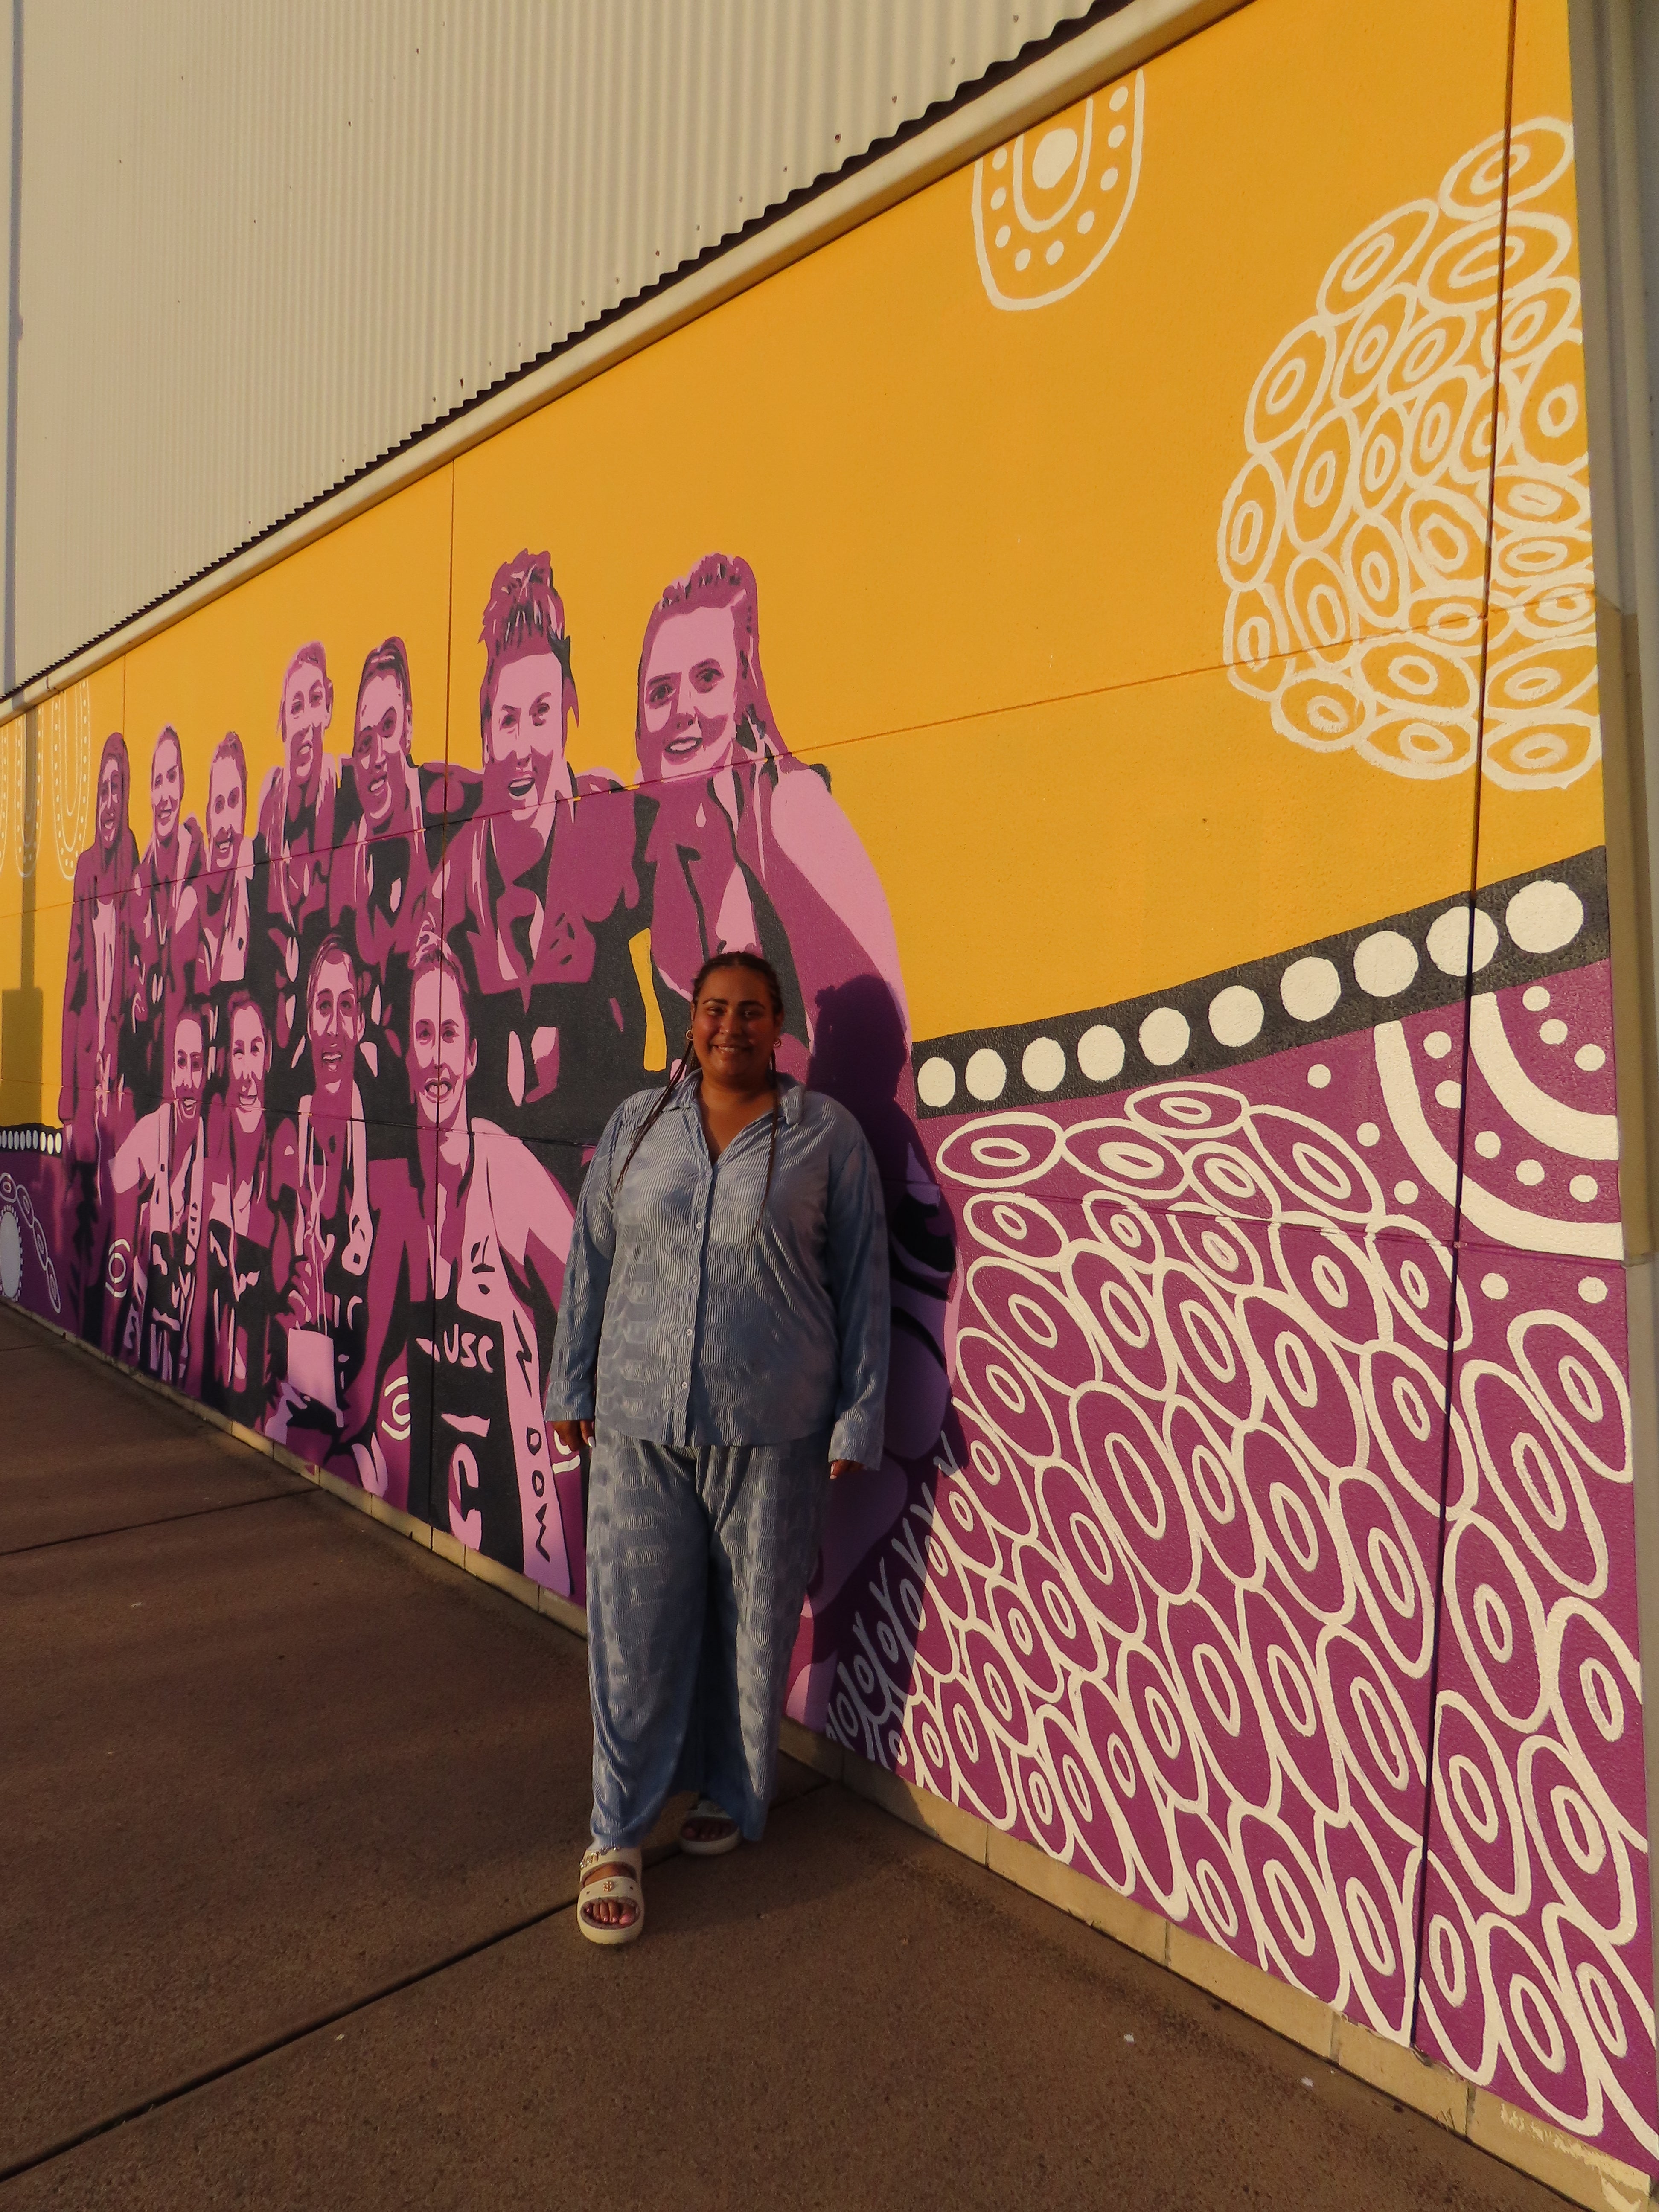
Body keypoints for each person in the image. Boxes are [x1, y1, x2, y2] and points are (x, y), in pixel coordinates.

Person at [545, 950, 889, 1946]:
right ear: (688, 1022)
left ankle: (734, 1788)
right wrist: (573, 1376)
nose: (729, 1026)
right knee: (632, 1623)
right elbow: (591, 1256)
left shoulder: (826, 1135)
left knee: (753, 1624)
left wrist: (857, 1413)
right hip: (639, 1416)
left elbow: (864, 1279)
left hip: (773, 1420)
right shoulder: (637, 1124)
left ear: (780, 1025)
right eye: (711, 1010)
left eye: (749, 1011)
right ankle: (613, 1833)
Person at [420, 550, 652, 1196]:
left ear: (569, 714)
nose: (524, 746)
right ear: (486, 733)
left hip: (615, 1191)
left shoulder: (616, 828)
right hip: (501, 1205)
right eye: (509, 719)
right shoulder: (458, 881)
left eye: (542, 713)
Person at [344, 944, 577, 1583]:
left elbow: (592, 1293)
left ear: (472, 1054)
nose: (437, 1057)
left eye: (450, 1034)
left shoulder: (505, 1172)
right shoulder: (403, 1196)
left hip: (531, 1550)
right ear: (408, 1054)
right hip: (449, 1543)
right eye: (424, 1034)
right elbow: (366, 1374)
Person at [634, 553, 908, 1079]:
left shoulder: (788, 811)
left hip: (824, 1148)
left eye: (708, 677)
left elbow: (878, 1057)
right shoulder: (666, 848)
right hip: (725, 1149)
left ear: (744, 691)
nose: (681, 710)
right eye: (661, 691)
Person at [267, 933, 373, 1464]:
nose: (333, 1026)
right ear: (306, 1022)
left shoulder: (376, 1131)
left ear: (360, 1021)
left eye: (346, 1006)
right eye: (322, 1006)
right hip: (305, 1382)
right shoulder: (296, 1128)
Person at [58, 730, 141, 1337]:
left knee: (123, 1209)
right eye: (102, 791)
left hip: (125, 1083)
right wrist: (67, 1103)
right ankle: (80, 1316)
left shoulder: (137, 864)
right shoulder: (87, 870)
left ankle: (113, 1325)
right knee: (80, 1206)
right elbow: (73, 993)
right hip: (88, 1083)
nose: (109, 803)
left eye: (118, 788)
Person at [329, 636, 429, 1125]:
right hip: (375, 1121)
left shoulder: (453, 808)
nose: (373, 756)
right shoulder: (347, 865)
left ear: (409, 725)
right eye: (363, 742)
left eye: (387, 728)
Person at [103, 999, 210, 1390]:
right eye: (180, 1062)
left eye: (196, 1064)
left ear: (208, 1071)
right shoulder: (154, 1131)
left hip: (185, 1332)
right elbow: (112, 1184)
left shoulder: (211, 1144)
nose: (187, 1079)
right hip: (145, 1323)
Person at [256, 642, 343, 1100]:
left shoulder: (348, 797)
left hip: (331, 1054)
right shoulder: (268, 820)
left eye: (314, 701)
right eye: (295, 706)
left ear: (329, 707)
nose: (306, 720)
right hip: (275, 1069)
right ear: (282, 722)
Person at [201, 988, 282, 1429]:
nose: (248, 1070)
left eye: (256, 1049)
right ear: (227, 1060)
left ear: (268, 1054)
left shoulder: (282, 1142)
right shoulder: (217, 1128)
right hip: (215, 1370)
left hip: (260, 1384)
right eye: (238, 1051)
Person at [125, 725, 205, 1105]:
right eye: (157, 781)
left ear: (183, 783)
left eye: (171, 778)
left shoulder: (202, 864)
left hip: (194, 1080)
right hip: (150, 1084)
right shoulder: (140, 883)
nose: (164, 794)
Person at [175, 731, 256, 1081]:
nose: (225, 823)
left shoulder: (257, 893)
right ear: (208, 817)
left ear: (245, 812)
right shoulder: (192, 905)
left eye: (234, 802)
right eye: (218, 805)